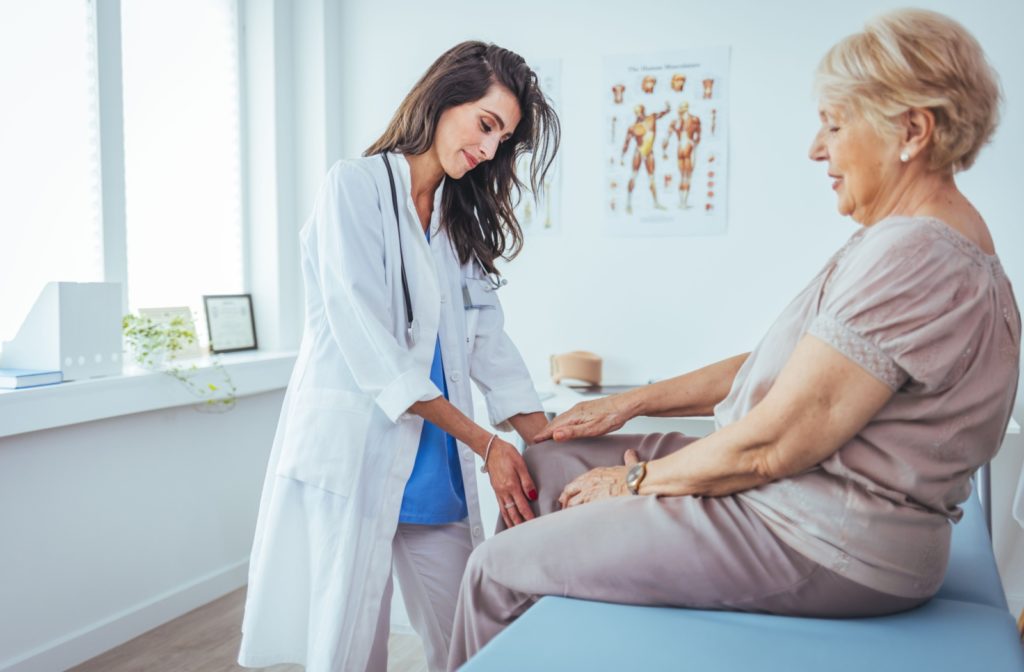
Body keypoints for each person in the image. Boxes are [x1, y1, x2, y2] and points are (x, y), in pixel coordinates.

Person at [447, 10, 1019, 668]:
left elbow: (774, 445)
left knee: (495, 570)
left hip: (820, 536)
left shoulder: (920, 255)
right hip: (798, 500)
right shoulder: (925, 239)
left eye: (835, 123)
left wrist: (635, 480)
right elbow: (809, 370)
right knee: (548, 463)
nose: (816, 148)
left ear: (912, 131)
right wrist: (632, 403)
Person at [237, 41, 559, 672]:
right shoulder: (351, 189)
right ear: (443, 100)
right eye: (486, 125)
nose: (491, 150)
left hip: (434, 466)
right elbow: (373, 351)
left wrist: (545, 439)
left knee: (469, 642)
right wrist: (489, 446)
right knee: (350, 652)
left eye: (504, 139)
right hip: (356, 458)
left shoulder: (455, 219)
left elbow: (488, 339)